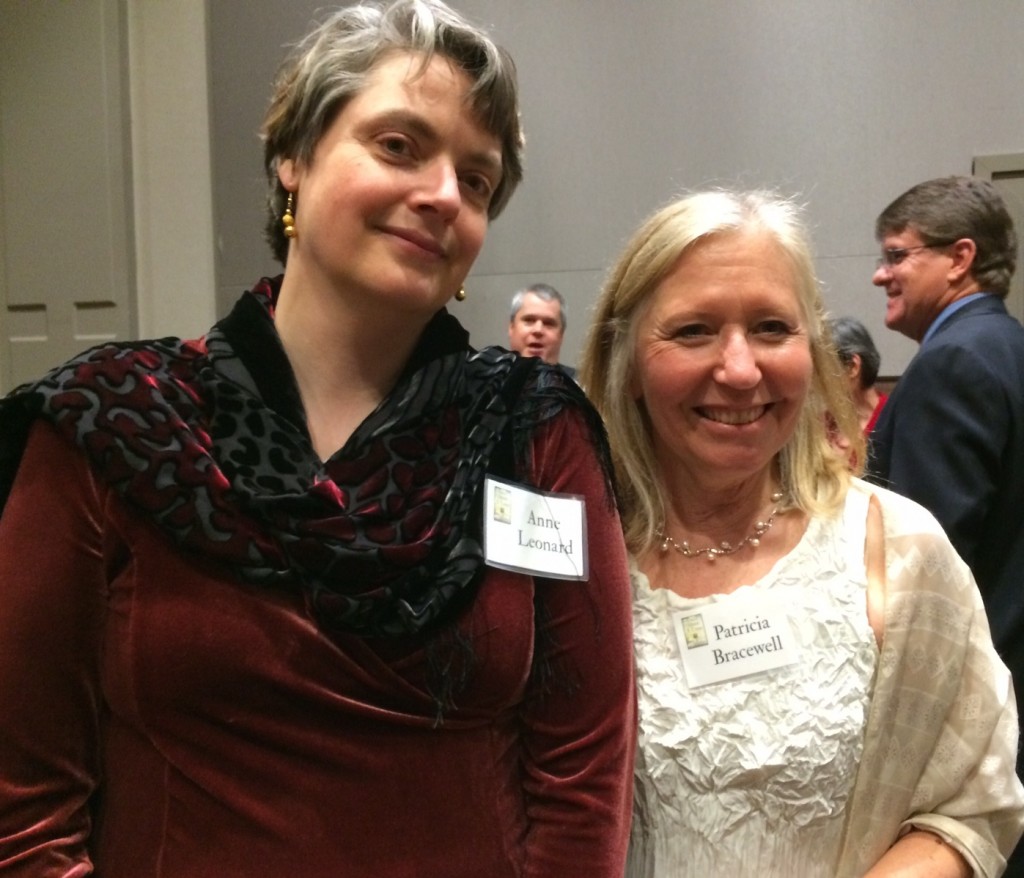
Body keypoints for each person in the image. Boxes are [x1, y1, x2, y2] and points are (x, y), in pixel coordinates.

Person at [0, 2, 636, 876]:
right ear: (292, 158)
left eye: (477, 180)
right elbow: (25, 804)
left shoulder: (532, 431)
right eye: (399, 145)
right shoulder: (114, 425)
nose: (443, 194)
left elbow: (580, 776)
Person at [579, 189, 1024, 877]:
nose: (738, 369)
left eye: (770, 328)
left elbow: (973, 802)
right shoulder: (575, 560)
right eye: (693, 330)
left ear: (813, 352)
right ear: (629, 360)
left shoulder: (897, 549)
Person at [866, 175, 1024, 874]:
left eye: (898, 255)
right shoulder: (1007, 346)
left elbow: (929, 567)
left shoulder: (951, 362)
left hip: (971, 712)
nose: (881, 273)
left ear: (959, 258)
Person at [828, 314, 888, 435]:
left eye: (824, 370)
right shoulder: (824, 423)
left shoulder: (893, 417)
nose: (815, 379)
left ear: (852, 367)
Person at [508, 282, 574, 375]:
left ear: (561, 334)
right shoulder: (485, 385)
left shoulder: (581, 386)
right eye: (529, 320)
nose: (538, 330)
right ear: (512, 327)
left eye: (548, 323)